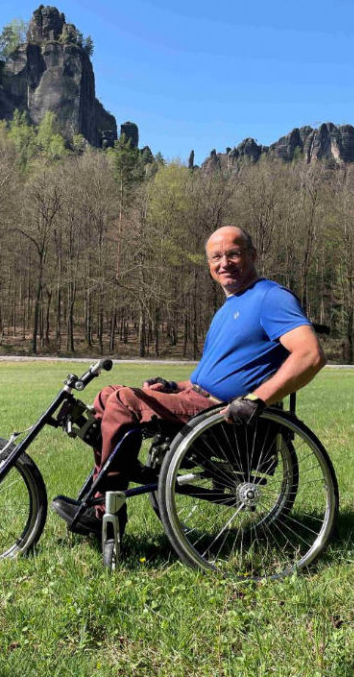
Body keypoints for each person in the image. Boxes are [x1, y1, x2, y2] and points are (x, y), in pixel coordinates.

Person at [51, 225, 326, 535]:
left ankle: (104, 513)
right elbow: (207, 379)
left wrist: (255, 399)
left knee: (121, 402)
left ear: (253, 255)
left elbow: (310, 355)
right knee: (107, 395)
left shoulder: (270, 297)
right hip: (198, 399)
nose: (224, 263)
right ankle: (105, 493)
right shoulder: (229, 308)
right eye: (216, 257)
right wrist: (174, 387)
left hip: (224, 414)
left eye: (233, 254)